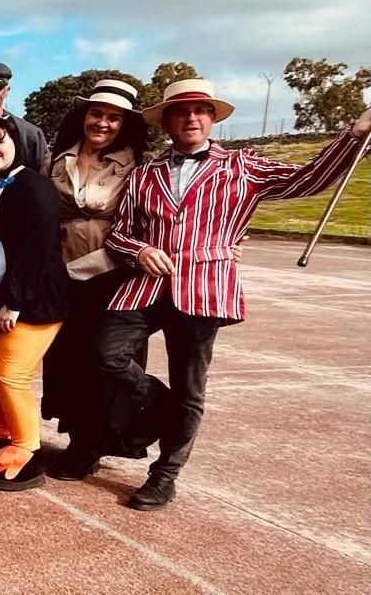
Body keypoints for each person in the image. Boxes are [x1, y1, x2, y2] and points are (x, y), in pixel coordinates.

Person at [80, 80, 371, 510]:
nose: (192, 118)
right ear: (167, 122)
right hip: (147, 285)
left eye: (201, 110)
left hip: (205, 287)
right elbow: (121, 234)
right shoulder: (146, 173)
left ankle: (165, 475)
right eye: (181, 112)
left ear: (213, 118)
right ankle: (162, 411)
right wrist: (140, 250)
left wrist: (355, 133)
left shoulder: (242, 165)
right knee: (105, 353)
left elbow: (306, 179)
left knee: (190, 386)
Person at [41, 80, 150, 468]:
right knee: (66, 359)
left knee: (100, 359)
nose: (102, 123)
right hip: (61, 273)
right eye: (96, 113)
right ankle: (78, 439)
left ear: (125, 124)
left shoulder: (138, 166)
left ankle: (99, 441)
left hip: (110, 274)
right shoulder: (57, 158)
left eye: (113, 117)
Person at [0, 117, 69, 491]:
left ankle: (27, 446)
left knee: (12, 376)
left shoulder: (35, 187)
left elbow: (37, 247)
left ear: (16, 143)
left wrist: (15, 301)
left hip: (32, 298)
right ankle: (3, 431)